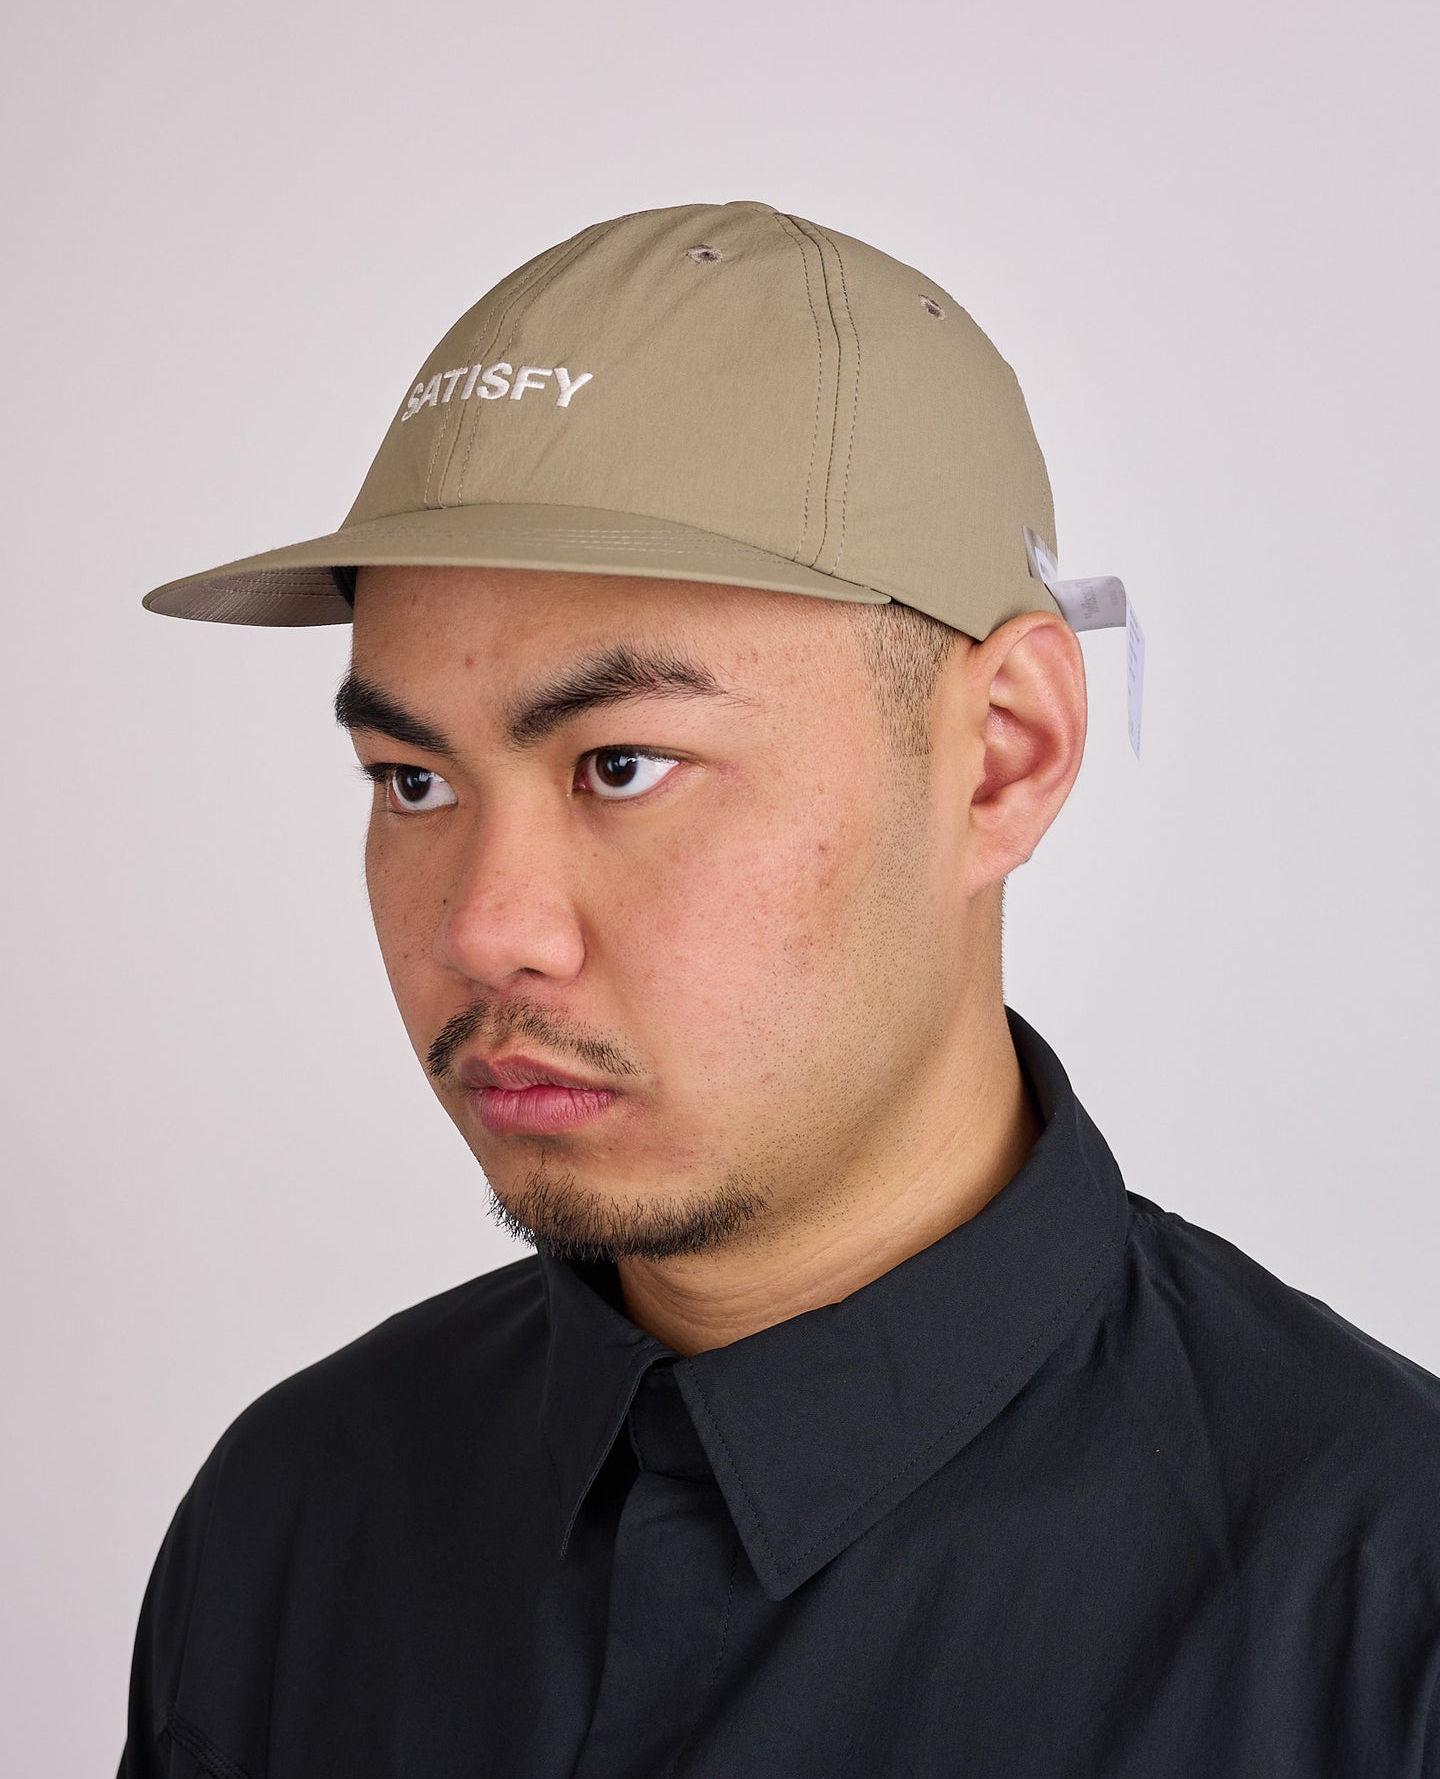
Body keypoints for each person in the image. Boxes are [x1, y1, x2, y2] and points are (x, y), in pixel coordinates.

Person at [119, 201, 1440, 1778]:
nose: (486, 929)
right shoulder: (294, 1518)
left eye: (622, 764)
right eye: (413, 780)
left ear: (1003, 755)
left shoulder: (1382, 1623)